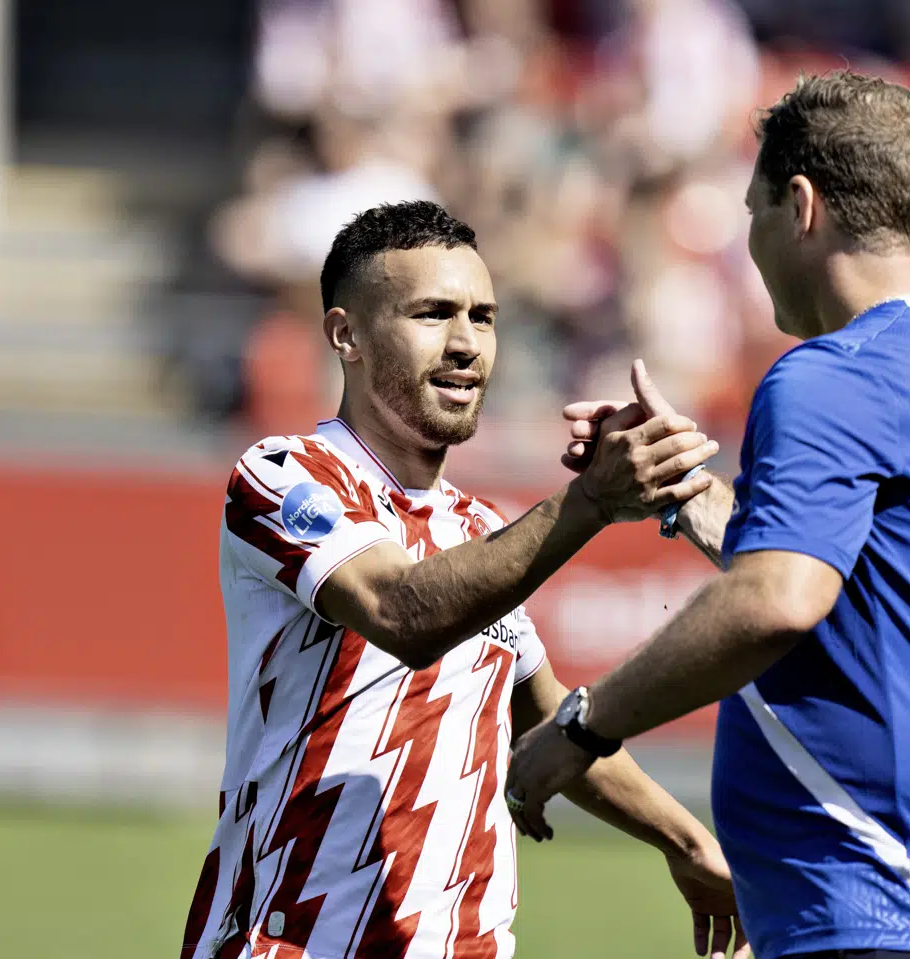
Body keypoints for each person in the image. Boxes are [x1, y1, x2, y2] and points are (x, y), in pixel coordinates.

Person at [505, 71, 910, 959]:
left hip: (877, 908)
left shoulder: (834, 374)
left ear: (801, 205)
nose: (749, 242)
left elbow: (778, 598)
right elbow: (847, 586)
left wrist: (582, 725)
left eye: (751, 210)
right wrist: (689, 489)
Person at [180, 200, 746, 959]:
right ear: (346, 334)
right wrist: (589, 501)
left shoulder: (479, 528)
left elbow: (555, 731)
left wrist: (689, 843)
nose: (465, 344)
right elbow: (403, 613)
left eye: (483, 316)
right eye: (431, 314)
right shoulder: (284, 476)